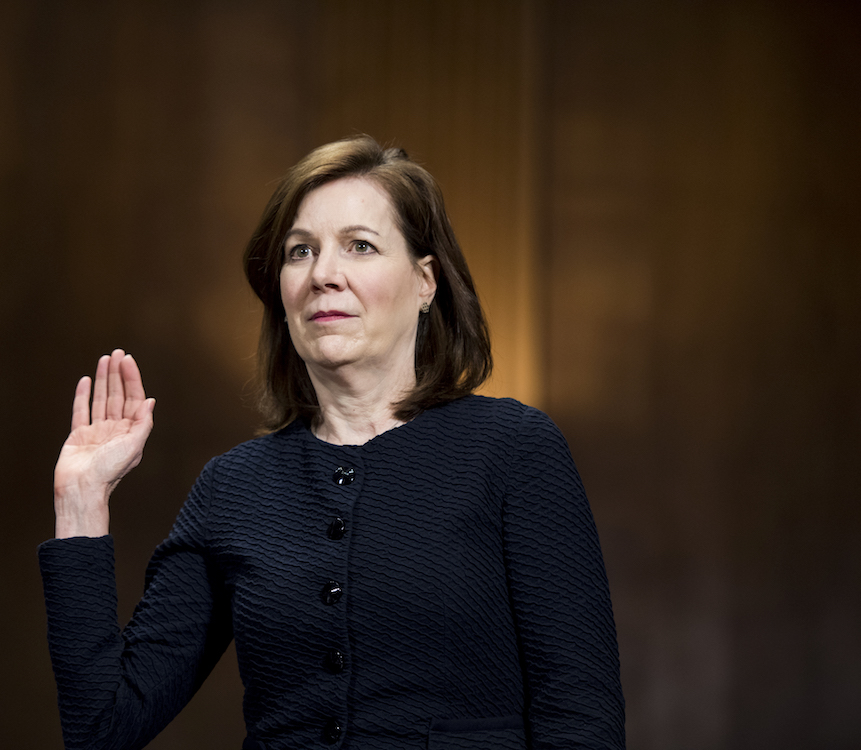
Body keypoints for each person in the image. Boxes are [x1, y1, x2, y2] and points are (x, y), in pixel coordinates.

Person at [40, 135, 625, 750]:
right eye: (300, 252)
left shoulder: (514, 450)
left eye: (360, 246)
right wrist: (80, 500)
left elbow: (580, 721)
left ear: (425, 282)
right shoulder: (232, 488)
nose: (323, 275)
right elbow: (103, 729)